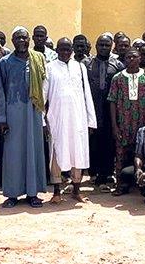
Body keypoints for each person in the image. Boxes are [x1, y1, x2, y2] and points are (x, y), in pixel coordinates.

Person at [0, 27, 48, 208]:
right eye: (17, 38)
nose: (21, 41)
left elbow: (45, 87)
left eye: (24, 38)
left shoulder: (38, 59)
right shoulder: (5, 62)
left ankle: (33, 193)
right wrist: (2, 118)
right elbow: (0, 91)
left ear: (29, 40)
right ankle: (12, 194)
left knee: (34, 151)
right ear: (12, 40)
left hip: (34, 113)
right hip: (13, 114)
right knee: (13, 153)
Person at [45, 38, 97, 204]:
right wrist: (43, 120)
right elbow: (44, 95)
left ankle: (76, 190)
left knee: (77, 153)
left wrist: (90, 120)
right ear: (57, 50)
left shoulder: (80, 67)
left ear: (72, 50)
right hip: (57, 118)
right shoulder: (49, 67)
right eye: (62, 49)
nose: (65, 52)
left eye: (68, 49)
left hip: (78, 118)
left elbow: (87, 94)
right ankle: (56, 191)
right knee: (56, 153)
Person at [108, 48, 145, 195]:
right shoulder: (118, 78)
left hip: (144, 123)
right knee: (121, 154)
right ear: (125, 59)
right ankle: (121, 185)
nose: (132, 59)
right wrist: (114, 126)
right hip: (123, 123)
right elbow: (112, 101)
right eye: (129, 57)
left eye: (135, 57)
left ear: (140, 58)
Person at [86, 33, 125, 189]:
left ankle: (107, 173)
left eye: (107, 45)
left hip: (110, 110)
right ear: (96, 46)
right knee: (93, 142)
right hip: (92, 108)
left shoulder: (118, 65)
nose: (103, 48)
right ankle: (93, 173)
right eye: (101, 45)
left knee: (108, 142)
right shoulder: (86, 64)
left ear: (111, 47)